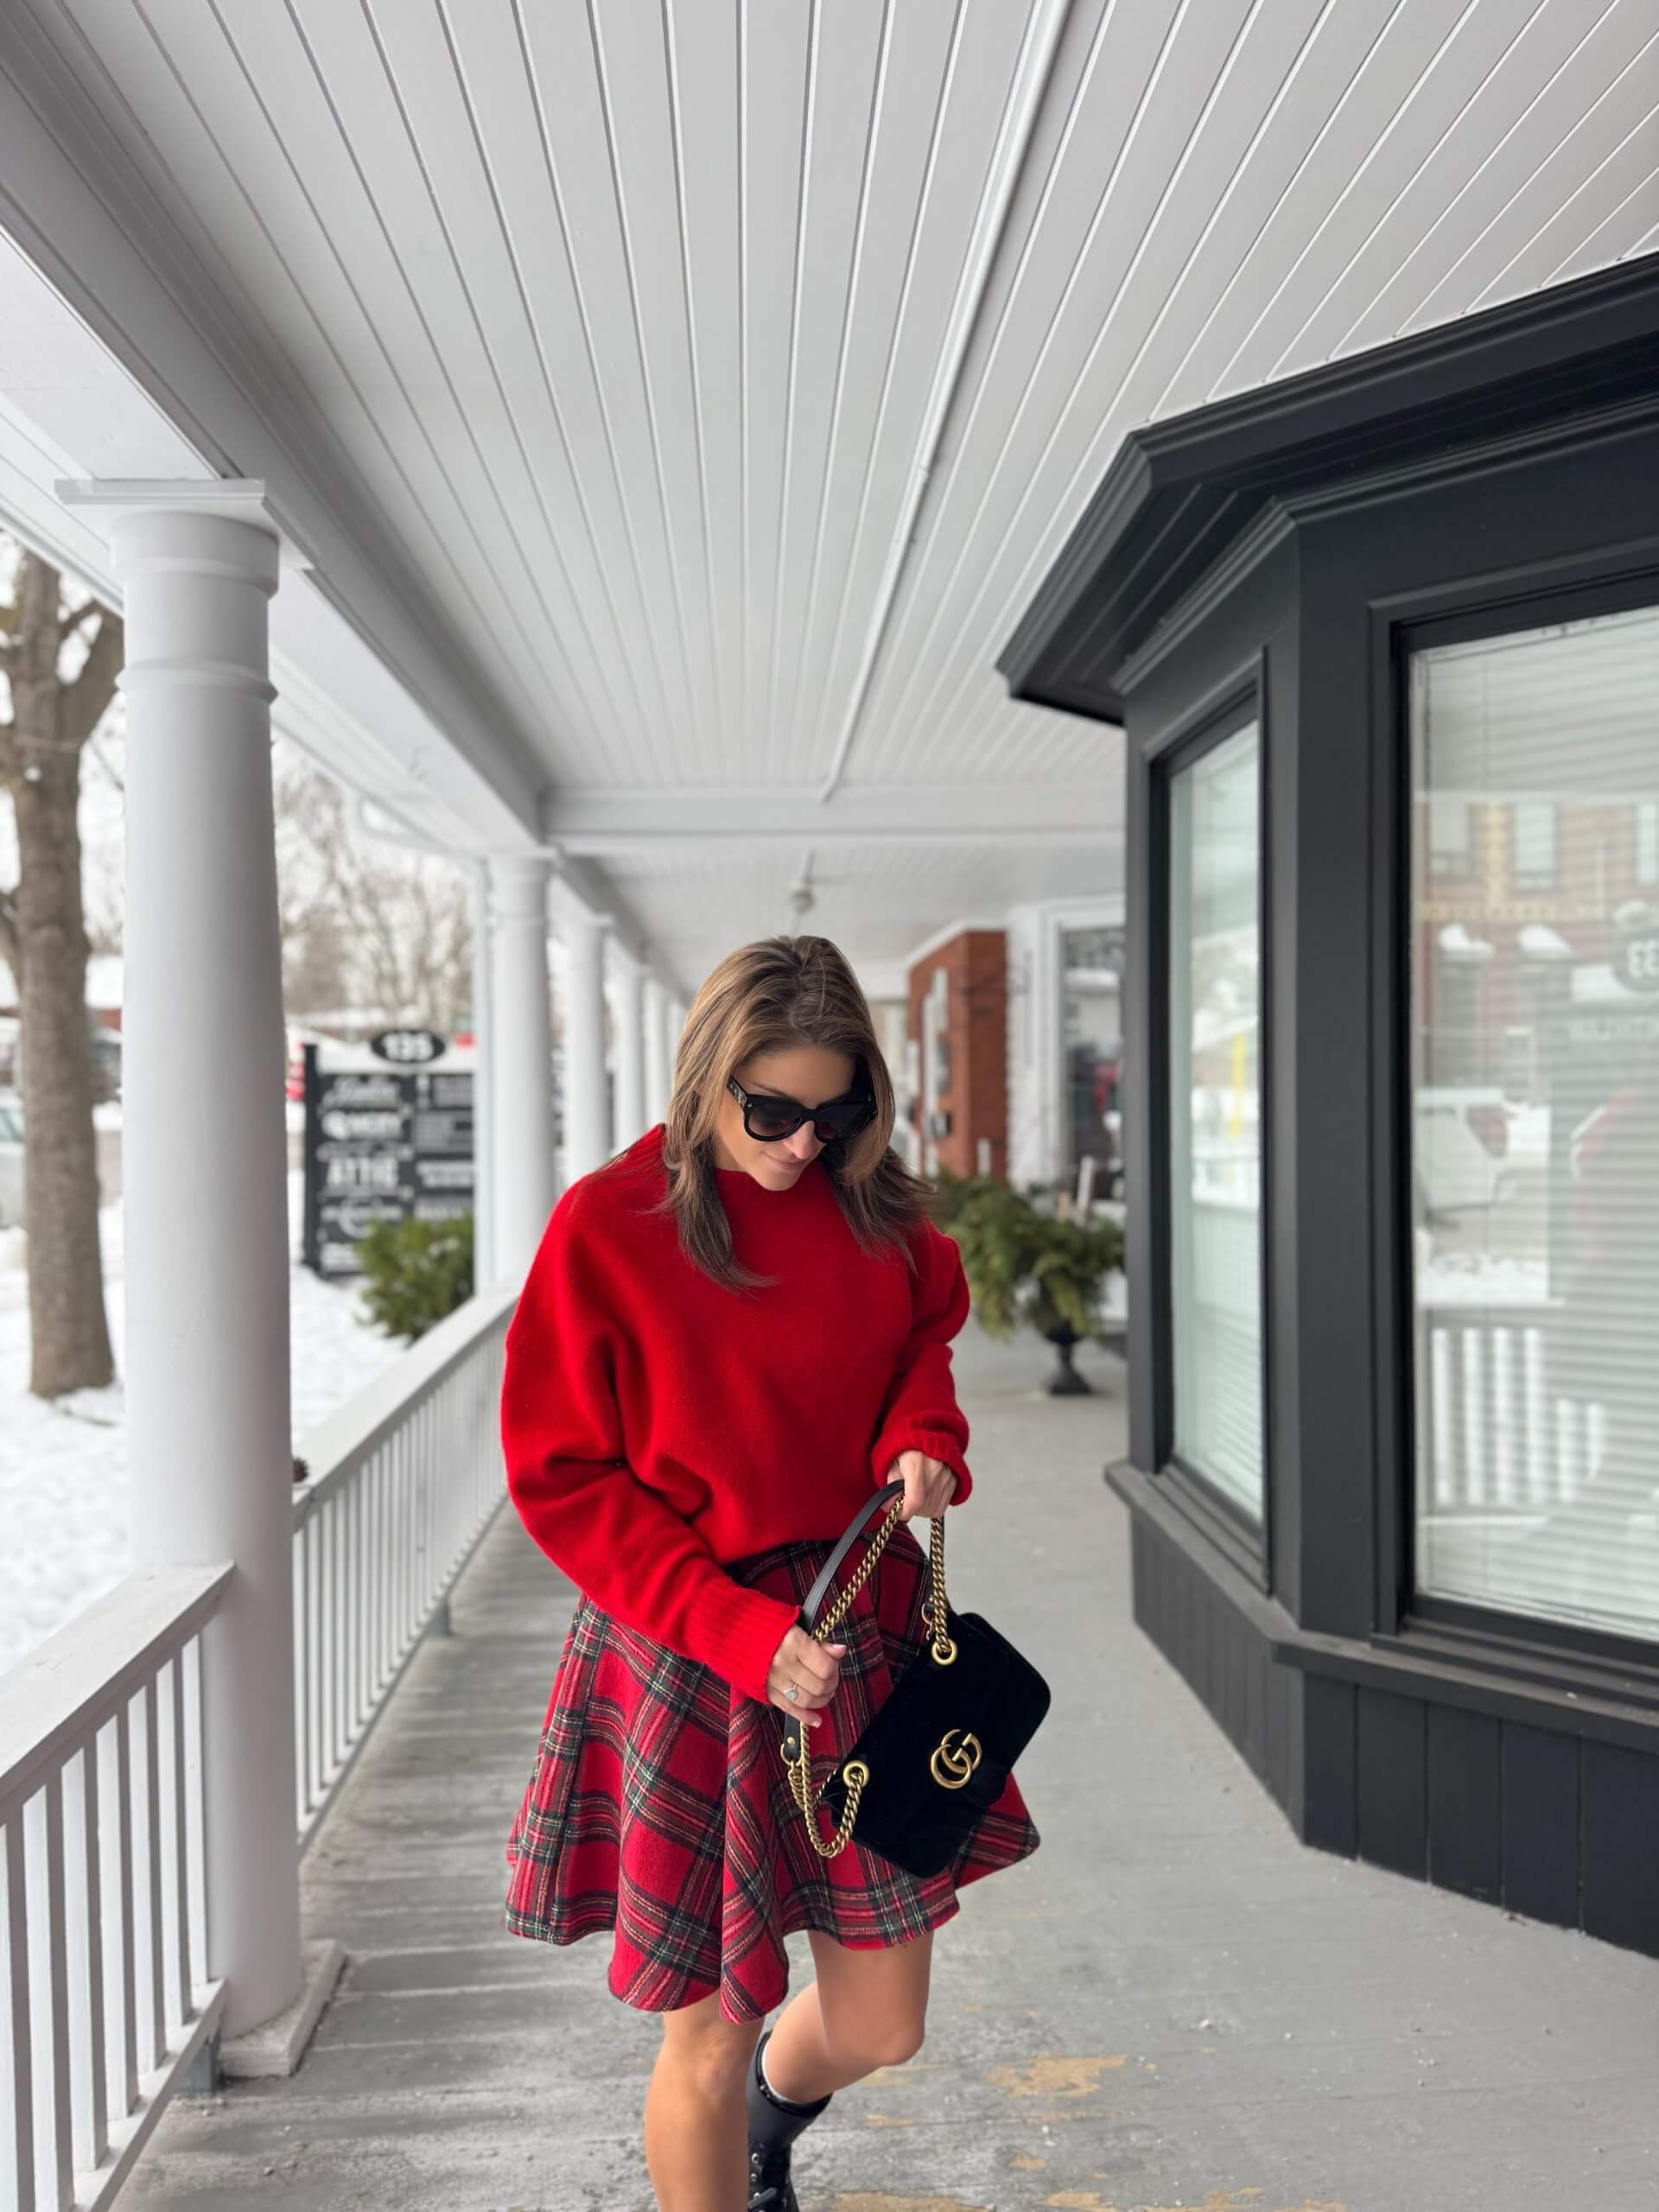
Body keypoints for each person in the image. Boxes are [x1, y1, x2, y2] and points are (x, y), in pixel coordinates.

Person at [499, 933, 1041, 2212]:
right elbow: (563, 1477)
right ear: (705, 1082)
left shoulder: (876, 1206)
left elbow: (922, 1342)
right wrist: (735, 1631)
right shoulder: (608, 1230)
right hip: (689, 1636)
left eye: (839, 1108)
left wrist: (924, 1438)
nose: (808, 1141)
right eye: (775, 1111)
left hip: (862, 1622)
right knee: (706, 2029)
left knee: (884, 2022)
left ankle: (767, 2131)